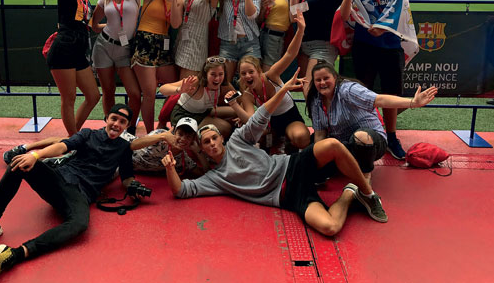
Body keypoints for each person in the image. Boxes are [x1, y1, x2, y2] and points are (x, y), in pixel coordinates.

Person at [161, 74, 389, 237]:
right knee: (329, 227)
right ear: (202, 148)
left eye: (214, 138)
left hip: (293, 165)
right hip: (287, 196)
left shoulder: (238, 139)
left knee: (332, 144)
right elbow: (181, 190)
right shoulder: (214, 179)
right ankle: (351, 193)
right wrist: (170, 169)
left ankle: (369, 195)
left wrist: (282, 90)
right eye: (206, 142)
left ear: (222, 138)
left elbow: (261, 116)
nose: (211, 144)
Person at [0, 104, 154, 277]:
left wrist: (133, 187)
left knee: (79, 224)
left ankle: (16, 254)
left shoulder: (124, 148)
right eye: (114, 118)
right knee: (18, 164)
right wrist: (35, 155)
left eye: (122, 122)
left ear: (127, 126)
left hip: (81, 195)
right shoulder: (88, 134)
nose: (116, 124)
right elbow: (62, 146)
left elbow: (127, 177)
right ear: (106, 119)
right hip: (60, 179)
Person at [340, 0, 419, 160]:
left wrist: (381, 27)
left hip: (390, 44)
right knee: (362, 92)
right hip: (364, 45)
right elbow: (347, 15)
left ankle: (391, 137)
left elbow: (398, 6)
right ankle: (365, 135)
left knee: (391, 92)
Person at [23, 0, 100, 136]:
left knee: (93, 96)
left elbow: (88, 25)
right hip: (64, 48)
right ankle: (74, 140)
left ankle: (71, 136)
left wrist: (106, 28)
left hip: (78, 51)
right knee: (69, 99)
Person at [306, 61, 438, 180]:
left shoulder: (348, 89)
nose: (322, 83)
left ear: (335, 77)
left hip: (371, 142)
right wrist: (321, 159)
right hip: (344, 145)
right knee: (312, 155)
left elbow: (379, 99)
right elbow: (319, 134)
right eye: (318, 80)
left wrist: (412, 102)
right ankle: (342, 166)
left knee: (360, 137)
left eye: (326, 78)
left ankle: (365, 176)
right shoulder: (316, 100)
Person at [227, 12, 309, 153]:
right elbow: (252, 121)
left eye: (251, 72)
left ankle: (289, 140)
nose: (247, 76)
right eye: (243, 73)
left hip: (290, 117)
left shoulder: (271, 75)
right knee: (258, 138)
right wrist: (234, 105)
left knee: (301, 138)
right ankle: (279, 140)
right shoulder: (247, 94)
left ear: (258, 72)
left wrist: (300, 31)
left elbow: (290, 54)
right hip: (270, 124)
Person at [90, 0, 142, 133]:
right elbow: (94, 24)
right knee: (108, 91)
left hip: (124, 49)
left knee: (134, 93)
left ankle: (128, 128)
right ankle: (110, 129)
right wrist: (108, 30)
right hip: (103, 47)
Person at [132, 0, 183, 133]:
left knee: (175, 89)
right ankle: (151, 133)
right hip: (145, 43)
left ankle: (165, 125)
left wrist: (175, 2)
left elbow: (175, 24)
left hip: (164, 44)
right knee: (150, 93)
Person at [159, 56, 236, 138]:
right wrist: (180, 90)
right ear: (205, 74)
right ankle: (193, 139)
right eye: (213, 74)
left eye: (221, 74)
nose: (217, 78)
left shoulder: (225, 84)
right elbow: (162, 89)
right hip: (184, 114)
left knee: (236, 112)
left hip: (204, 112)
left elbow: (240, 99)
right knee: (225, 128)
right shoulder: (195, 82)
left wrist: (236, 98)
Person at [217, 0, 262, 84]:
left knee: (249, 83)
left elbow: (252, 14)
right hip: (228, 42)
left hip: (250, 42)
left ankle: (245, 104)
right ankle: (230, 104)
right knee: (225, 82)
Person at [257, 0, 303, 71]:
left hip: (275, 37)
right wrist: (263, 9)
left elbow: (294, 18)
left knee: (268, 71)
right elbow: (259, 21)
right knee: (258, 69)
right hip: (261, 34)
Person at [132, 117, 209, 177]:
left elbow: (206, 173)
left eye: (188, 137)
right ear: (174, 132)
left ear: (193, 140)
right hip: (123, 149)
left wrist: (198, 151)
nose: (183, 139)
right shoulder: (161, 134)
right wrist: (162, 136)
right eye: (180, 134)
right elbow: (132, 145)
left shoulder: (184, 160)